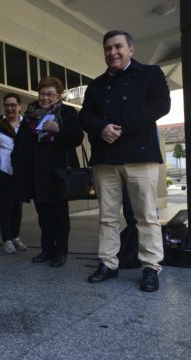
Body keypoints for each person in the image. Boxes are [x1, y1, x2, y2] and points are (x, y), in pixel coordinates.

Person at [80, 30, 170, 292]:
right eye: (108, 48)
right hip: (105, 158)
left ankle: (151, 268)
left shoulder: (151, 74)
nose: (112, 52)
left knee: (146, 216)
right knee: (107, 217)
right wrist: (101, 128)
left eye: (118, 47)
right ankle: (108, 263)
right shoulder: (96, 85)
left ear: (131, 49)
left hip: (140, 156)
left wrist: (119, 126)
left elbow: (160, 105)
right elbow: (84, 116)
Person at [11, 76, 83, 267]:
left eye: (50, 94)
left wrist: (58, 129)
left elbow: (77, 137)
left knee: (59, 215)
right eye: (42, 94)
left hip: (58, 172)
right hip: (37, 173)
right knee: (43, 215)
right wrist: (17, 165)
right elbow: (20, 143)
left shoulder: (67, 113)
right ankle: (47, 249)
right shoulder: (30, 114)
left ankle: (61, 252)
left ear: (58, 96)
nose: (45, 98)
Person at [0, 93, 27, 254]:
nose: (10, 108)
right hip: (2, 170)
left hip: (20, 172)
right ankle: (7, 239)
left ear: (19, 106)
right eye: (7, 105)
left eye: (13, 105)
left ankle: (16, 236)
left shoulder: (26, 125)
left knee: (18, 205)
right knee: (6, 204)